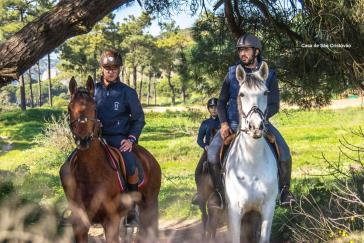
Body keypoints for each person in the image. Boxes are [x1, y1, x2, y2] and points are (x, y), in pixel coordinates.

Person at [207, 33, 294, 208]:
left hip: (260, 124)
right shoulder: (232, 73)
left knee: (284, 152)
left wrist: (259, 119)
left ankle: (284, 191)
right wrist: (223, 123)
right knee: (211, 155)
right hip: (232, 123)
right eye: (240, 50)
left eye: (246, 50)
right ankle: (217, 194)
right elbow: (222, 102)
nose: (242, 54)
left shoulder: (269, 75)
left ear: (256, 51)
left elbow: (275, 104)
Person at [94, 50, 145, 226]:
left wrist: (131, 139)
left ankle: (132, 210)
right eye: (107, 67)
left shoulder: (127, 92)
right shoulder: (93, 90)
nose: (111, 71)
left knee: (131, 167)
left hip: (118, 139)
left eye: (114, 67)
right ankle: (74, 205)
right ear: (101, 68)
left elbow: (139, 119)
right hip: (96, 139)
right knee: (69, 166)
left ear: (119, 69)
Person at [191, 98, 220, 205]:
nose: (214, 110)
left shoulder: (223, 122)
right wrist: (205, 146)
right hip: (208, 150)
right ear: (208, 109)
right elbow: (199, 139)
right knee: (198, 171)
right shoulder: (205, 123)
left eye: (216, 107)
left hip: (222, 150)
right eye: (211, 107)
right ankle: (200, 194)